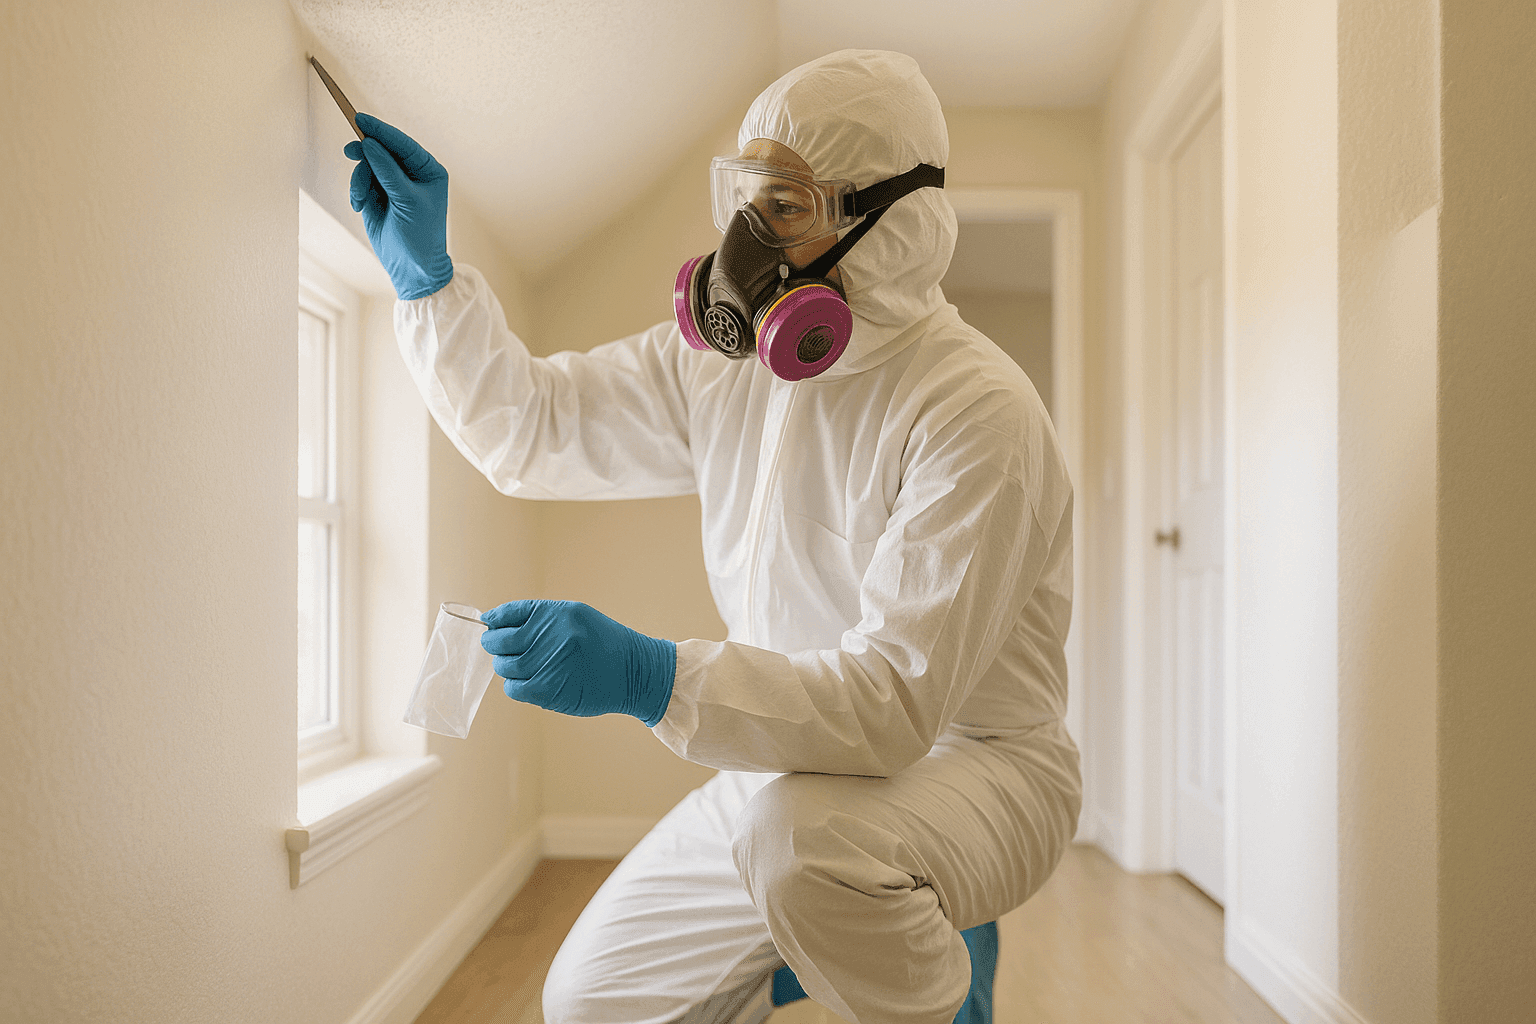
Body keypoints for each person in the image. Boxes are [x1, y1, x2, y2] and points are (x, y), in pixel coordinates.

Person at [347, 49, 1079, 1024]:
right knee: (590, 1003)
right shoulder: (726, 370)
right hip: (788, 763)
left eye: (786, 206)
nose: (744, 239)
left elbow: (898, 704)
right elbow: (538, 426)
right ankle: (839, 938)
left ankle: (940, 977)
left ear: (885, 223)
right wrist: (431, 286)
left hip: (974, 764)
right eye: (743, 195)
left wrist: (652, 675)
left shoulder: (976, 412)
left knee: (804, 846)